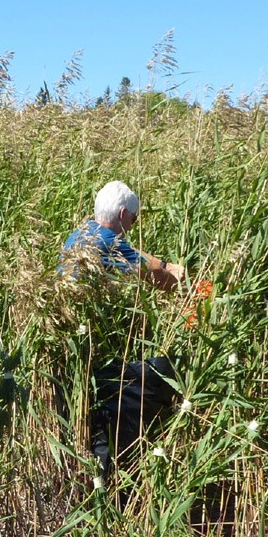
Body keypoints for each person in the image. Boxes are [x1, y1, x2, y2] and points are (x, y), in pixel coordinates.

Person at [58, 180, 185, 479]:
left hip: (73, 345)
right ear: (125, 214)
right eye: (135, 220)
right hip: (93, 354)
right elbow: (155, 276)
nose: (133, 225)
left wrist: (164, 262)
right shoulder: (108, 244)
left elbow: (133, 253)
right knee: (165, 371)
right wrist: (184, 280)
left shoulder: (82, 235)